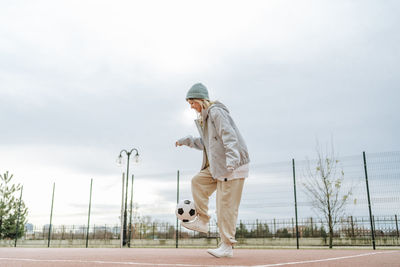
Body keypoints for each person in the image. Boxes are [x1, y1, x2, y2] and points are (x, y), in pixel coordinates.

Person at [175, 83, 250, 258]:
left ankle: (227, 246)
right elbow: (205, 143)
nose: (191, 107)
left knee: (225, 207)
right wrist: (186, 141)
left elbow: (229, 135)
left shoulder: (216, 112)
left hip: (233, 166)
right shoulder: (205, 119)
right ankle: (202, 220)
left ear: (200, 100)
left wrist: (232, 161)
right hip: (219, 167)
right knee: (198, 181)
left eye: (192, 102)